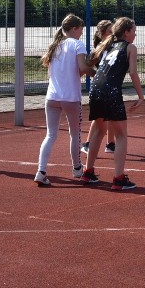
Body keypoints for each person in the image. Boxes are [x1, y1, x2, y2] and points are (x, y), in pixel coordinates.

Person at [81, 17, 144, 190]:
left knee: (99, 131)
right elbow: (133, 72)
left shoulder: (107, 46)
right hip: (110, 91)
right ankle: (118, 178)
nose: (135, 34)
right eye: (133, 30)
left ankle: (88, 172)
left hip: (95, 90)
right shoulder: (130, 47)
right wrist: (141, 96)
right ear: (126, 32)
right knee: (121, 135)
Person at [34, 14, 96, 186]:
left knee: (50, 135)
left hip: (52, 97)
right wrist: (98, 74)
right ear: (75, 28)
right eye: (81, 29)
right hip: (70, 97)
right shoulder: (77, 44)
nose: (82, 33)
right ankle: (77, 168)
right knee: (74, 134)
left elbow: (68, 71)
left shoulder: (55, 46)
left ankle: (41, 170)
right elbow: (83, 68)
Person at [82, 19, 115, 155]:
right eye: (109, 32)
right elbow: (87, 64)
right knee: (100, 117)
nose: (112, 34)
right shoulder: (102, 48)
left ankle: (110, 143)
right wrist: (97, 76)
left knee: (112, 115)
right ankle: (88, 144)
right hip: (103, 88)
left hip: (111, 86)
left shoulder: (113, 46)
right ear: (102, 34)